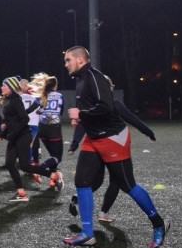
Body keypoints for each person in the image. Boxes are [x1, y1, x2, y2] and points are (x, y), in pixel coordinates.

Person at [63, 46, 168, 248]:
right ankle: (87, 233)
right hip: (93, 138)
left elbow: (107, 107)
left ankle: (159, 224)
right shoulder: (81, 80)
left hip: (113, 137)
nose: (66, 64)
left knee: (127, 184)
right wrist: (81, 118)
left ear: (81, 60)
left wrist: (81, 114)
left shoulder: (95, 77)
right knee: (82, 181)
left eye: (68, 60)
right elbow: (91, 110)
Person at [67, 81, 156, 222]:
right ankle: (103, 213)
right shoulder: (113, 104)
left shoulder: (90, 107)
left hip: (95, 148)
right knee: (117, 181)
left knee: (97, 180)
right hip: (112, 146)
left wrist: (74, 144)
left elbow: (82, 126)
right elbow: (132, 118)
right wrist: (148, 132)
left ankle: (79, 201)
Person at [0, 76, 62, 202]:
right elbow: (12, 122)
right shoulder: (10, 100)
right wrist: (2, 134)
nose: (1, 87)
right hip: (15, 136)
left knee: (25, 166)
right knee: (10, 163)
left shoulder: (15, 100)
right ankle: (21, 193)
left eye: (4, 85)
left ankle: (53, 175)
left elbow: (24, 119)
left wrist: (12, 134)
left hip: (22, 136)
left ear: (11, 87)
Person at [32, 74, 65, 184]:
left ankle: (54, 179)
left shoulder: (42, 96)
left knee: (53, 156)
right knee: (57, 157)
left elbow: (37, 110)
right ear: (55, 85)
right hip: (53, 128)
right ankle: (39, 169)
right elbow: (60, 112)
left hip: (42, 128)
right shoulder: (59, 95)